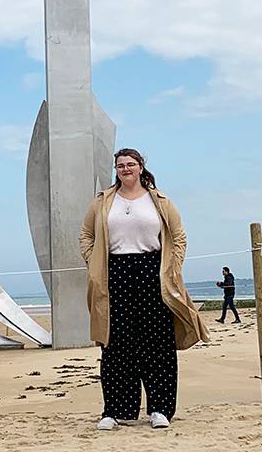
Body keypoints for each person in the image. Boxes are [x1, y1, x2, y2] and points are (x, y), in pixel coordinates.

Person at [80, 148, 209, 432]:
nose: (125, 169)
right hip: (114, 273)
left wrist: (173, 268)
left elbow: (178, 236)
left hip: (154, 271)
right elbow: (86, 235)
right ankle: (116, 410)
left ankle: (160, 409)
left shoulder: (159, 200)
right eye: (120, 165)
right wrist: (94, 263)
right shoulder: (102, 202)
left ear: (141, 167)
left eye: (130, 164)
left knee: (157, 343)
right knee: (115, 345)